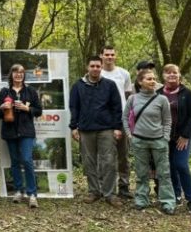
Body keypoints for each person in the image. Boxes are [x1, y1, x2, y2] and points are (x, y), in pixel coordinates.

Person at [69, 56, 124, 207]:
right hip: (86, 130)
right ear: (87, 67)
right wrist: (73, 127)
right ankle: (94, 191)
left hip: (106, 129)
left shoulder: (110, 85)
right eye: (92, 66)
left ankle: (110, 194)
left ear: (101, 68)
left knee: (109, 162)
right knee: (89, 162)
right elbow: (74, 107)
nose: (95, 68)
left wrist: (117, 127)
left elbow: (117, 108)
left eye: (97, 66)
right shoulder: (78, 86)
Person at [123, 69, 176, 214]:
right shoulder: (132, 99)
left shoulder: (162, 99)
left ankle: (167, 202)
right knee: (141, 173)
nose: (153, 81)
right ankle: (141, 200)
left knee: (164, 173)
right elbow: (125, 118)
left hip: (159, 141)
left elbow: (167, 120)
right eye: (149, 79)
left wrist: (165, 137)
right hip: (139, 141)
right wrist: (129, 135)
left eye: (154, 78)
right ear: (140, 82)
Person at [0, 64, 43, 208]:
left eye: (22, 72)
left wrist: (27, 108)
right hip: (10, 131)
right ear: (11, 75)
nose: (19, 75)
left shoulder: (30, 91)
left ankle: (32, 194)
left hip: (26, 131)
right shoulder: (4, 92)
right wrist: (1, 108)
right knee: (15, 161)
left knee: (27, 159)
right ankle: (18, 190)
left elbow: (39, 111)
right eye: (16, 72)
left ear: (24, 75)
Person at [159, 64, 191, 214]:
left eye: (174, 73)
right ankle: (176, 195)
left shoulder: (186, 93)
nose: (172, 75)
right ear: (163, 75)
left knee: (181, 165)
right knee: (170, 166)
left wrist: (185, 135)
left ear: (179, 75)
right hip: (164, 138)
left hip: (182, 137)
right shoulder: (157, 93)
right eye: (168, 73)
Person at [100, 45, 134, 198]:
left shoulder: (124, 73)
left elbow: (128, 96)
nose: (109, 57)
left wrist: (129, 118)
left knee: (123, 155)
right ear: (101, 56)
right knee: (106, 156)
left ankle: (124, 186)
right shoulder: (96, 72)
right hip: (103, 120)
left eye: (112, 54)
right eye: (107, 54)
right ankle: (107, 187)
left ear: (116, 56)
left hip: (121, 119)